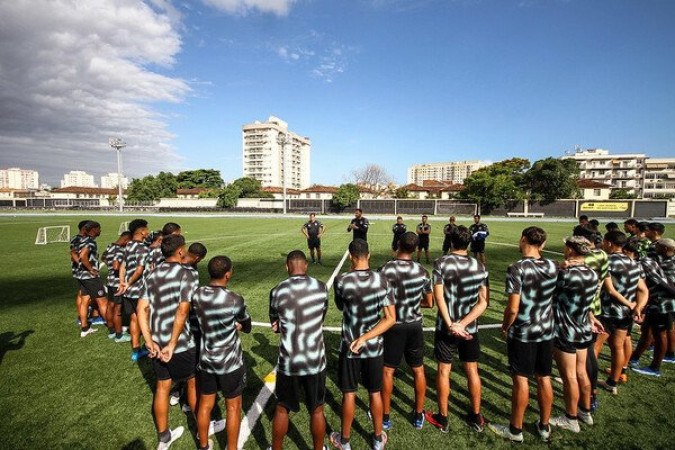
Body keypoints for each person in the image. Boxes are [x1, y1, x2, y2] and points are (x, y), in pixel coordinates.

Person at [488, 227, 558, 443]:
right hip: (547, 331)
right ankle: (544, 425)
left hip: (524, 332)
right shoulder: (553, 265)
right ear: (543, 245)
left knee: (521, 379)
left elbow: (513, 308)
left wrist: (506, 325)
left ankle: (515, 429)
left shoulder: (517, 268)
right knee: (544, 377)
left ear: (523, 239)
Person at [330, 239, 396, 450]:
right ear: (369, 254)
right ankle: (377, 439)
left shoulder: (341, 280)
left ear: (351, 256)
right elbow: (390, 318)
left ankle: (345, 441)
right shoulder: (383, 280)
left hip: (350, 346)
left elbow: (341, 306)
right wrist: (367, 338)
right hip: (374, 347)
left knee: (349, 393)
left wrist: (360, 338)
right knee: (374, 392)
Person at [137, 234, 199, 450]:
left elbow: (141, 308)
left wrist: (149, 341)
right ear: (180, 251)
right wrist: (172, 344)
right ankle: (202, 430)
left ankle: (164, 436)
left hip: (156, 340)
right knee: (192, 381)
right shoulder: (186, 273)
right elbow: (183, 309)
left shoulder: (152, 274)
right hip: (179, 343)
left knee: (162, 387)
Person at [425, 225, 489, 434]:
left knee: (444, 369)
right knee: (472, 369)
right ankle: (476, 415)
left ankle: (443, 417)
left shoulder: (441, 263)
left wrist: (452, 323)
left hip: (447, 328)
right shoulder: (479, 266)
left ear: (450, 242)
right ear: (468, 243)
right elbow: (483, 302)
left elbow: (439, 297)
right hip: (470, 329)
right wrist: (464, 323)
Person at [269, 250, 329, 450]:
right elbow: (321, 317)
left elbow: (275, 326)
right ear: (306, 266)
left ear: (287, 267)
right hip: (315, 360)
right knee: (317, 409)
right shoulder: (321, 288)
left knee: (282, 408)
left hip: (289, 361)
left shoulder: (277, 291)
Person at [192, 255, 251, 450]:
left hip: (207, 360)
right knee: (233, 407)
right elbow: (247, 325)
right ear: (227, 274)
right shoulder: (234, 299)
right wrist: (237, 326)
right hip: (230, 362)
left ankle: (203, 445)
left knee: (206, 404)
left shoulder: (198, 294)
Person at [379, 232, 433, 431]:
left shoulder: (385, 269)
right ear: (416, 248)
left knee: (388, 370)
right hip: (414, 325)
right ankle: (418, 414)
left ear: (398, 244)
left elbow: (378, 297)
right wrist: (412, 303)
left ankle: (385, 417)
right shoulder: (422, 271)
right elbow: (430, 302)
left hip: (393, 326)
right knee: (418, 369)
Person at [549, 236, 599, 433]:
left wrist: (559, 267)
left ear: (570, 249)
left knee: (569, 376)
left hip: (565, 330)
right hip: (583, 327)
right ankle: (585, 411)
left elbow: (545, 280)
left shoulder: (567, 274)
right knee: (581, 372)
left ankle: (570, 417)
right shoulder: (592, 274)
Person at [597, 231, 648, 396]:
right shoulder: (635, 263)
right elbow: (643, 290)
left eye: (605, 242)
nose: (603, 244)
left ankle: (586, 380)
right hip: (625, 314)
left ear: (610, 243)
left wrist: (631, 305)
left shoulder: (608, 261)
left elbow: (610, 290)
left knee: (594, 347)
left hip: (608, 311)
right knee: (617, 347)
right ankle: (613, 382)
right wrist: (637, 307)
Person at [629, 239, 675, 376]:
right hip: (656, 303)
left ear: (666, 248)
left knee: (660, 334)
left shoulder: (669, 264)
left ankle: (655, 367)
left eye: (659, 246)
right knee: (647, 330)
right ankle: (634, 358)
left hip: (664, 305)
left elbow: (665, 283)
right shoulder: (664, 260)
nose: (656, 248)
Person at [118, 219, 151, 361]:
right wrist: (129, 283)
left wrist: (123, 283)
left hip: (129, 291)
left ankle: (136, 349)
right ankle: (150, 346)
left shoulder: (129, 245)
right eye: (147, 229)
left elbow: (123, 266)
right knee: (145, 318)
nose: (148, 232)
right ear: (142, 231)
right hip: (139, 291)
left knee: (133, 318)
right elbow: (139, 270)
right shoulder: (142, 248)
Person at [76, 221, 110, 337]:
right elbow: (83, 256)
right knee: (103, 301)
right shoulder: (89, 242)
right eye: (99, 229)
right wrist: (91, 269)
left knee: (85, 301)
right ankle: (114, 330)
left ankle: (84, 328)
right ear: (94, 229)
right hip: (90, 277)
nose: (100, 231)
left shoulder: (82, 240)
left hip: (82, 276)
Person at [102, 231, 132, 342]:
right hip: (117, 283)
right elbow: (116, 265)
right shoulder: (119, 249)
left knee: (110, 306)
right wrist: (124, 269)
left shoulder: (111, 246)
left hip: (110, 281)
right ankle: (119, 335)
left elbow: (104, 257)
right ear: (126, 240)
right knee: (118, 310)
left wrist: (109, 267)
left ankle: (111, 331)